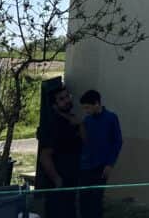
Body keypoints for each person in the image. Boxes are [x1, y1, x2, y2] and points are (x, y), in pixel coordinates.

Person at [37, 84, 82, 218]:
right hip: (58, 182)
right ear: (55, 105)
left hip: (71, 179)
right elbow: (45, 156)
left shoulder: (71, 120)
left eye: (67, 96)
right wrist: (57, 179)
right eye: (62, 99)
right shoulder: (53, 124)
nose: (67, 100)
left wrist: (79, 124)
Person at [78, 89, 123, 218]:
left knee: (96, 199)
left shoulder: (111, 118)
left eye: (88, 107)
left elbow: (117, 142)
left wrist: (110, 163)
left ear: (96, 104)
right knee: (84, 199)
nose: (86, 111)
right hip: (86, 165)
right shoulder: (87, 120)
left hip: (101, 165)